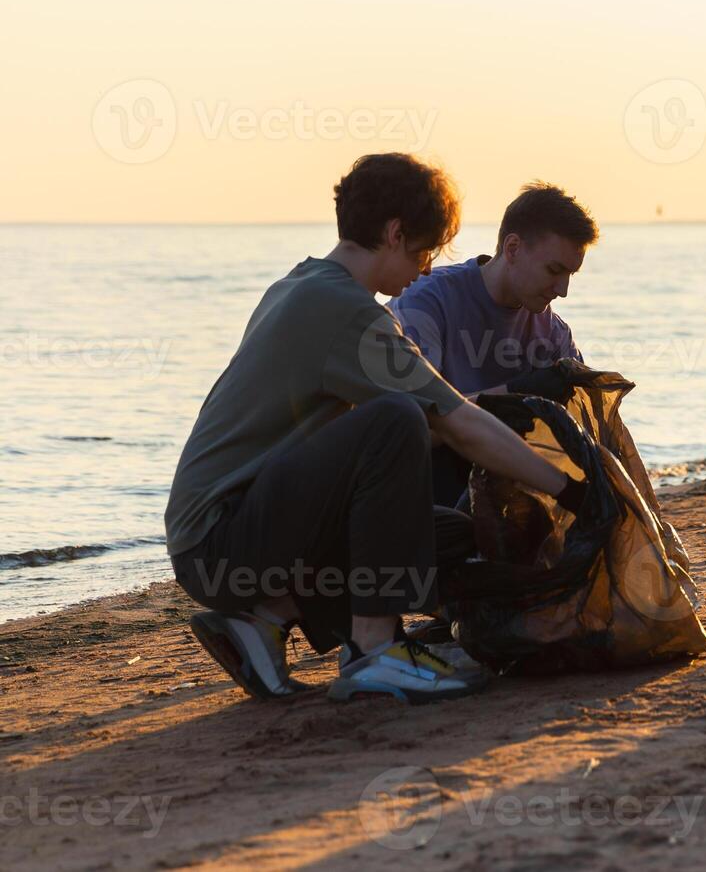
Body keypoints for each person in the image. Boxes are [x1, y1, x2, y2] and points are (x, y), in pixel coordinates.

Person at [164, 154, 587, 705]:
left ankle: (265, 618)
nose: (429, 269)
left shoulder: (303, 281)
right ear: (394, 234)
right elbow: (456, 420)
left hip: (241, 534)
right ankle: (375, 650)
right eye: (424, 251)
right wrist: (572, 488)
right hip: (219, 543)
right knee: (398, 418)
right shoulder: (347, 313)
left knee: (453, 534)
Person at [389, 181, 598, 509]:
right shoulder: (426, 303)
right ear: (513, 248)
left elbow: (590, 434)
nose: (562, 290)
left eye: (571, 275)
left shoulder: (555, 334)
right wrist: (510, 395)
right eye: (554, 270)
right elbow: (408, 431)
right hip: (422, 490)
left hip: (511, 493)